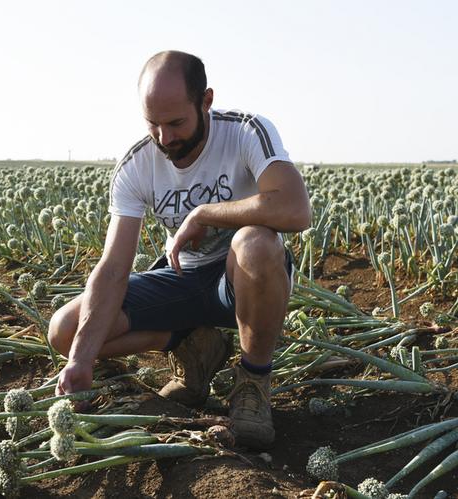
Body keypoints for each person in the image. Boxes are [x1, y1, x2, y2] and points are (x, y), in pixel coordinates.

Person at [48, 50, 311, 449]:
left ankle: (253, 381)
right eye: (152, 124)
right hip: (183, 278)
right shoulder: (138, 164)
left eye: (176, 123)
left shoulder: (245, 131)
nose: (165, 138)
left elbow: (295, 208)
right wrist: (80, 360)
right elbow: (114, 267)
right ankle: (194, 345)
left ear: (205, 100)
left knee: (253, 242)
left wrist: (206, 213)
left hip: (241, 280)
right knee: (66, 331)